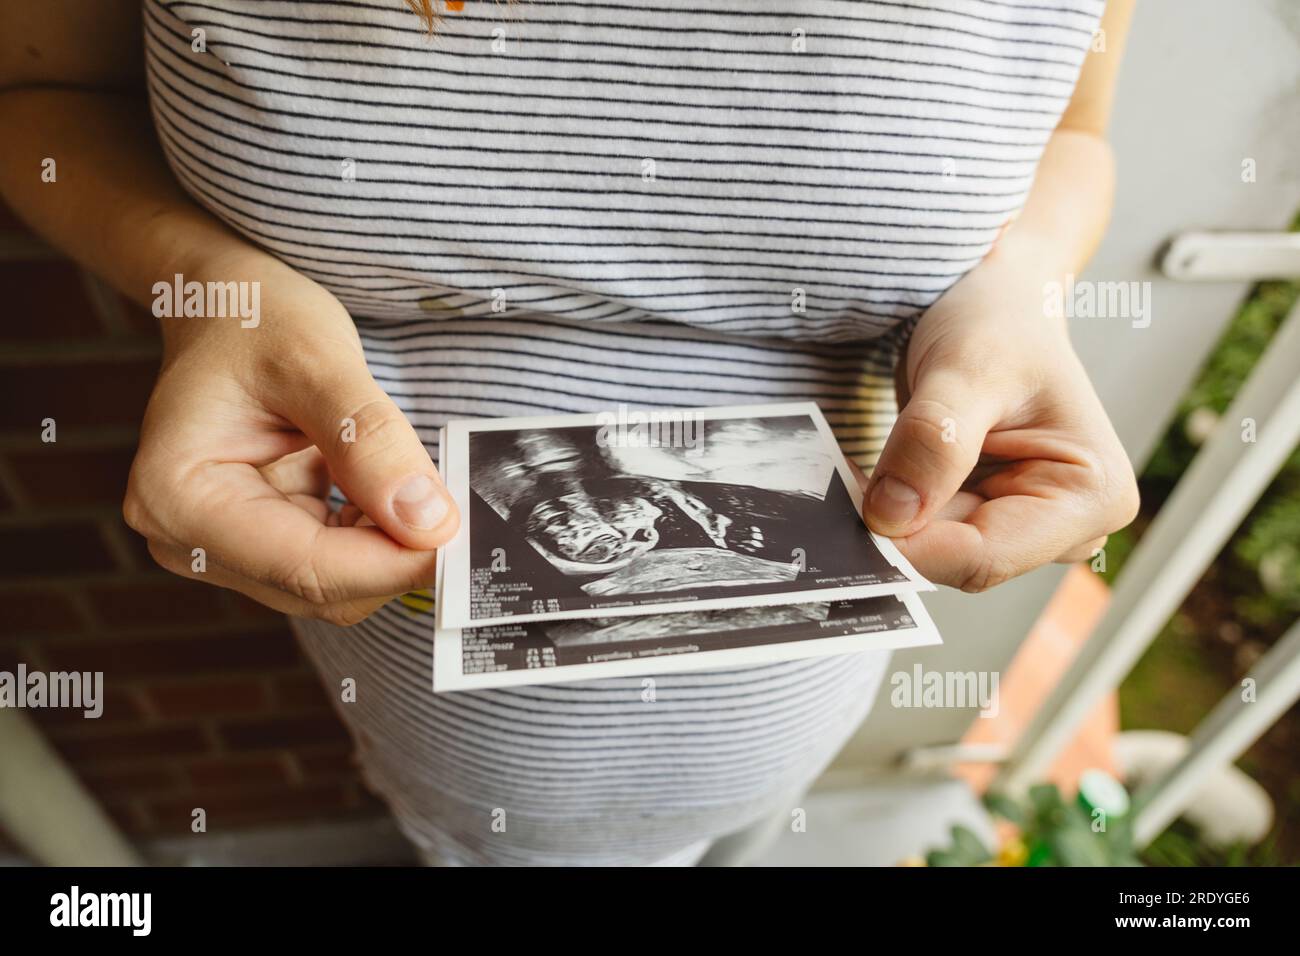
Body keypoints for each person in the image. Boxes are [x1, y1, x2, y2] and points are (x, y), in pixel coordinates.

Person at [0, 0, 1139, 865]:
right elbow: (44, 93)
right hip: (433, 741)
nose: (594, 534)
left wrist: (1017, 284)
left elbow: (1075, 131)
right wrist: (207, 290)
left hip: (787, 734)